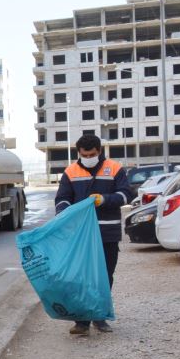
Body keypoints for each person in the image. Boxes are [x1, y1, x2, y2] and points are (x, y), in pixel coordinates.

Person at [55, 134, 133, 336]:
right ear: (78, 153)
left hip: (107, 233)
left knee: (105, 277)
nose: (88, 157)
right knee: (81, 278)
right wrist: (65, 213)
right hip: (81, 236)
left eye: (92, 154)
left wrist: (104, 199)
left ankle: (100, 316)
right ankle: (81, 321)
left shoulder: (114, 168)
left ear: (99, 151)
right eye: (84, 154)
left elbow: (126, 194)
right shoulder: (71, 172)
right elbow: (62, 199)